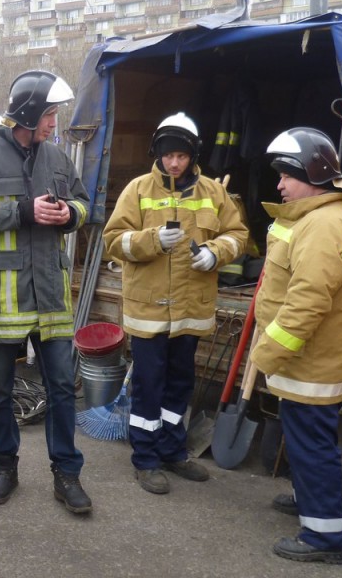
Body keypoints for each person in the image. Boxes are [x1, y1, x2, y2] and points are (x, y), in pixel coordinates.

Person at [0, 70, 93, 515]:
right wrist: (22, 211)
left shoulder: (57, 158)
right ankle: (4, 466)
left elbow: (86, 205)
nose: (53, 123)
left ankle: (67, 474)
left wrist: (69, 214)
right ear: (28, 113)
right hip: (0, 302)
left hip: (48, 297)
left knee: (62, 388)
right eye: (49, 114)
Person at [103, 112, 247, 495]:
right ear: (158, 153)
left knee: (180, 384)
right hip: (149, 310)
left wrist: (216, 253)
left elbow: (239, 235)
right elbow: (113, 239)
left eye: (181, 156)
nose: (174, 163)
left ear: (193, 155)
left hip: (191, 309)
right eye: (168, 155)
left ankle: (173, 450)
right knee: (149, 385)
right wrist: (151, 241)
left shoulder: (214, 193)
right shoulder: (137, 189)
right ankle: (146, 459)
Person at [251, 127, 342, 565]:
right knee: (302, 439)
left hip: (312, 363)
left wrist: (267, 354)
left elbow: (307, 303)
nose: (279, 184)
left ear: (312, 173)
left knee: (313, 443)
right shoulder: (317, 216)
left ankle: (324, 537)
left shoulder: (322, 225)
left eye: (286, 175)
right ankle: (307, 499)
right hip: (307, 361)